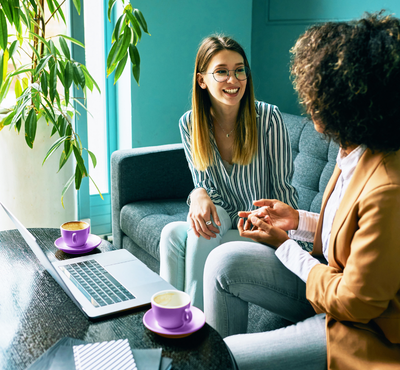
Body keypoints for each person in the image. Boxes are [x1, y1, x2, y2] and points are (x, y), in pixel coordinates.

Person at [203, 12, 400, 370]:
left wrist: (285, 245)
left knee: (228, 357)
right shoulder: (352, 150)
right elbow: (346, 228)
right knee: (222, 260)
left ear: (348, 100)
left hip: (358, 325)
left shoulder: (388, 188)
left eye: (317, 93)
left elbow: (355, 302)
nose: (309, 104)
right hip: (326, 280)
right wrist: (297, 219)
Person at [159, 35, 298, 310]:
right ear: (202, 80)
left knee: (197, 233)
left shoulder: (269, 119)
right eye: (221, 72)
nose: (233, 80)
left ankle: (191, 327)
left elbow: (284, 194)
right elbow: (207, 191)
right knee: (171, 234)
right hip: (224, 221)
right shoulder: (190, 123)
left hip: (262, 229)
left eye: (239, 70)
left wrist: (292, 241)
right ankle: (172, 321)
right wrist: (197, 192)